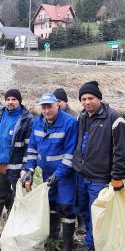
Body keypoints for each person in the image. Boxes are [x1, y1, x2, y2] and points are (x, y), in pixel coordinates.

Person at [73, 81, 125, 251]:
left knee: (99, 217)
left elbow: (121, 152)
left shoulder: (114, 119)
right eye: (83, 99)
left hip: (100, 178)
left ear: (99, 98)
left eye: (90, 98)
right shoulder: (82, 117)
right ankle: (89, 243)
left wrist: (118, 177)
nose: (87, 102)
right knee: (86, 212)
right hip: (82, 174)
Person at [22, 93, 78, 251]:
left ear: (57, 105)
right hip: (47, 173)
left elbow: (70, 154)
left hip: (65, 174)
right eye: (43, 107)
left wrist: (58, 175)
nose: (46, 110)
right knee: (51, 204)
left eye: (49, 106)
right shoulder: (37, 122)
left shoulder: (69, 122)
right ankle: (53, 237)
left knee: (66, 206)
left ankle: (67, 248)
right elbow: (32, 148)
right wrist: (29, 169)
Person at [0, 89, 34, 228]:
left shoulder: (27, 118)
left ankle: (17, 226)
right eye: (8, 99)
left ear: (19, 101)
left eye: (14, 99)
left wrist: (25, 167)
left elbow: (29, 146)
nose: (10, 102)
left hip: (17, 166)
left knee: (19, 197)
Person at [53, 87, 86, 235]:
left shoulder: (75, 117)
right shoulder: (53, 117)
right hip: (59, 162)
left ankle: (81, 221)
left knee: (77, 192)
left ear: (65, 102)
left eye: (59, 101)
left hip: (75, 161)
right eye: (55, 101)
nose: (57, 104)